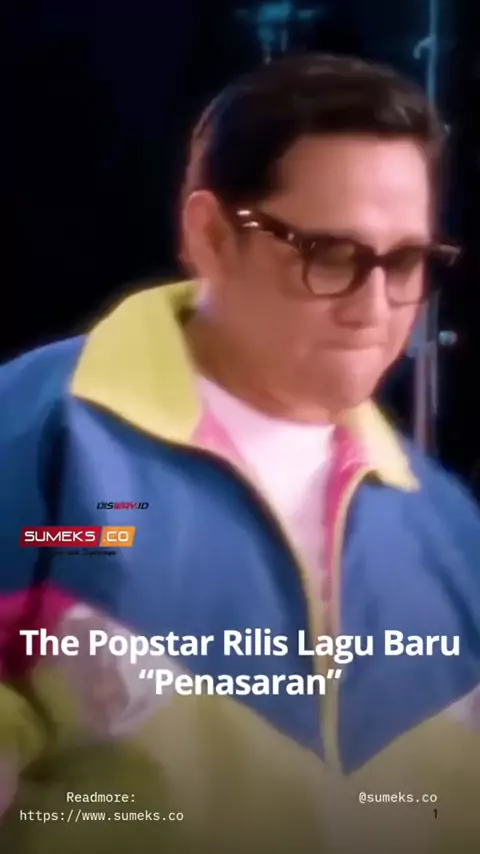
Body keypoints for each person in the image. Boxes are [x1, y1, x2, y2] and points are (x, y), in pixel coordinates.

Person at [1, 53, 479, 854]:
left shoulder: (442, 524)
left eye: (404, 262)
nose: (374, 307)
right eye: (330, 254)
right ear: (212, 236)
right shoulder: (35, 439)